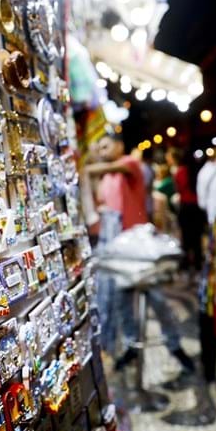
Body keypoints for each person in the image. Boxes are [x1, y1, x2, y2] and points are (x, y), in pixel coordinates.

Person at [86, 133, 195, 373]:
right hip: (120, 251)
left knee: (156, 299)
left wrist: (85, 165)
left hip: (139, 249)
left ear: (119, 145)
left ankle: (174, 345)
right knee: (122, 301)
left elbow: (99, 169)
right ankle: (131, 346)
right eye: (100, 148)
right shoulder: (108, 176)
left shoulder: (129, 164)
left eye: (106, 146)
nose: (103, 151)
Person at [167, 147, 203, 275]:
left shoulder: (180, 172)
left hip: (186, 207)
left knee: (186, 237)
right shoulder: (198, 171)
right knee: (197, 237)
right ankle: (198, 262)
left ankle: (186, 263)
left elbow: (178, 189)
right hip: (197, 208)